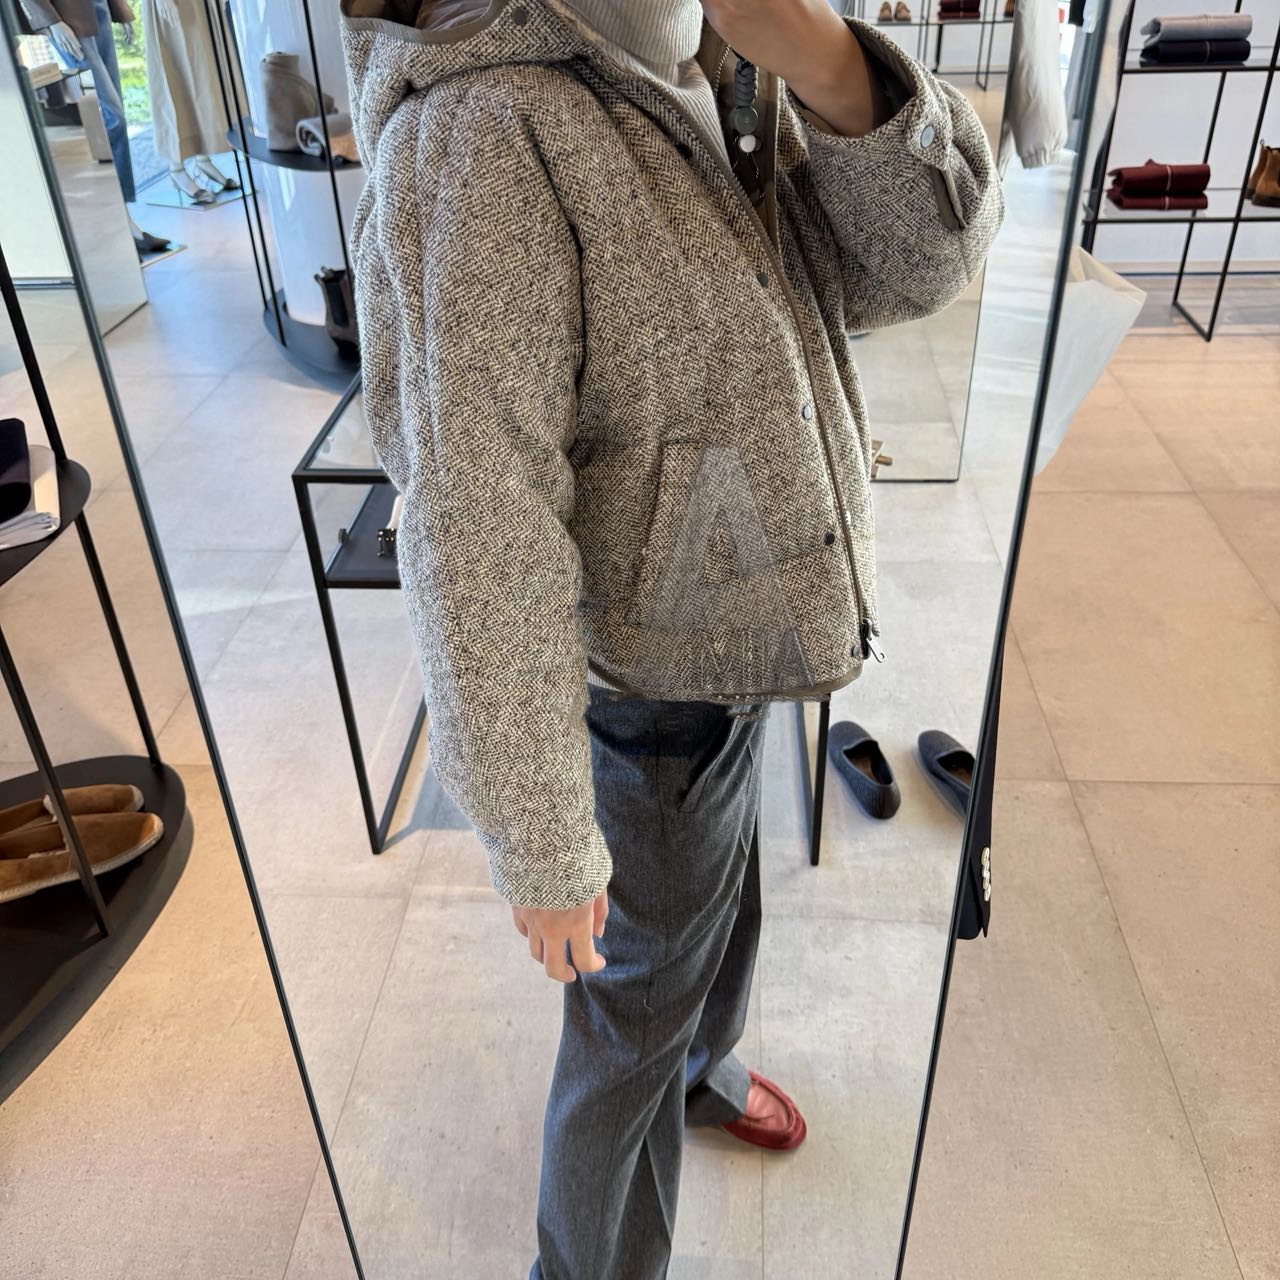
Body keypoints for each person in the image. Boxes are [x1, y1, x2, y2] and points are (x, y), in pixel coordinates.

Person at [340, 0, 1002, 1275]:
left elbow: (908, 272)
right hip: (638, 682)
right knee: (626, 1017)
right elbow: (477, 516)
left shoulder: (712, 57)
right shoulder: (484, 128)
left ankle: (703, 1065)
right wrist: (538, 829)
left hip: (739, 626)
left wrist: (824, 60)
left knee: (722, 895)